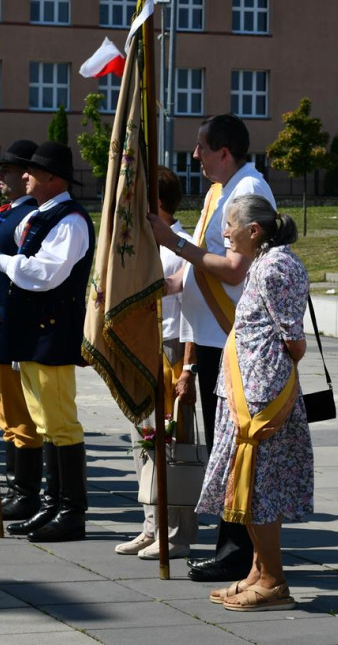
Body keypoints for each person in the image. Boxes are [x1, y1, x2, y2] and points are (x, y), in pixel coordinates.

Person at [147, 113, 275, 583]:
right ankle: (232, 548)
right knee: (222, 448)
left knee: (235, 447)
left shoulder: (249, 191)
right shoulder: (221, 190)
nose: (195, 155)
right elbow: (195, 274)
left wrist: (174, 243)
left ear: (224, 151)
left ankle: (237, 553)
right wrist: (145, 290)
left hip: (233, 340)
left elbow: (235, 268)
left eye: (202, 147)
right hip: (209, 338)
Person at [0, 140, 95, 543]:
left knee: (61, 422)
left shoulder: (70, 220)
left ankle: (71, 511)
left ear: (53, 178)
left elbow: (45, 273)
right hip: (35, 334)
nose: (25, 176)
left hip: (53, 334)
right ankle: (52, 504)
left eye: (33, 172)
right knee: (44, 421)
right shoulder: (43, 214)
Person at [193, 194, 312, 611]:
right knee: (244, 484)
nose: (224, 232)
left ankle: (274, 580)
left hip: (262, 395)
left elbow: (292, 339)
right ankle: (258, 572)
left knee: (260, 488)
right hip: (247, 389)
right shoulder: (265, 264)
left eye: (230, 224)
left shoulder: (277, 265)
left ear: (254, 231)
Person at [116, 166, 199, 560]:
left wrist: (187, 367)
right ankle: (151, 525)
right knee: (143, 441)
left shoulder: (179, 244)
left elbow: (190, 312)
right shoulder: (141, 244)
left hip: (169, 346)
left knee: (173, 442)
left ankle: (178, 531)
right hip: (142, 346)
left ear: (158, 203)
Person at [0, 139, 42, 521]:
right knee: (4, 415)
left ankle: (25, 493)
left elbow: (27, 271)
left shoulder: (28, 217)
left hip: (12, 327)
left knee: (21, 418)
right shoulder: (6, 212)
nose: (1, 175)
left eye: (9, 170)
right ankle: (17, 489)